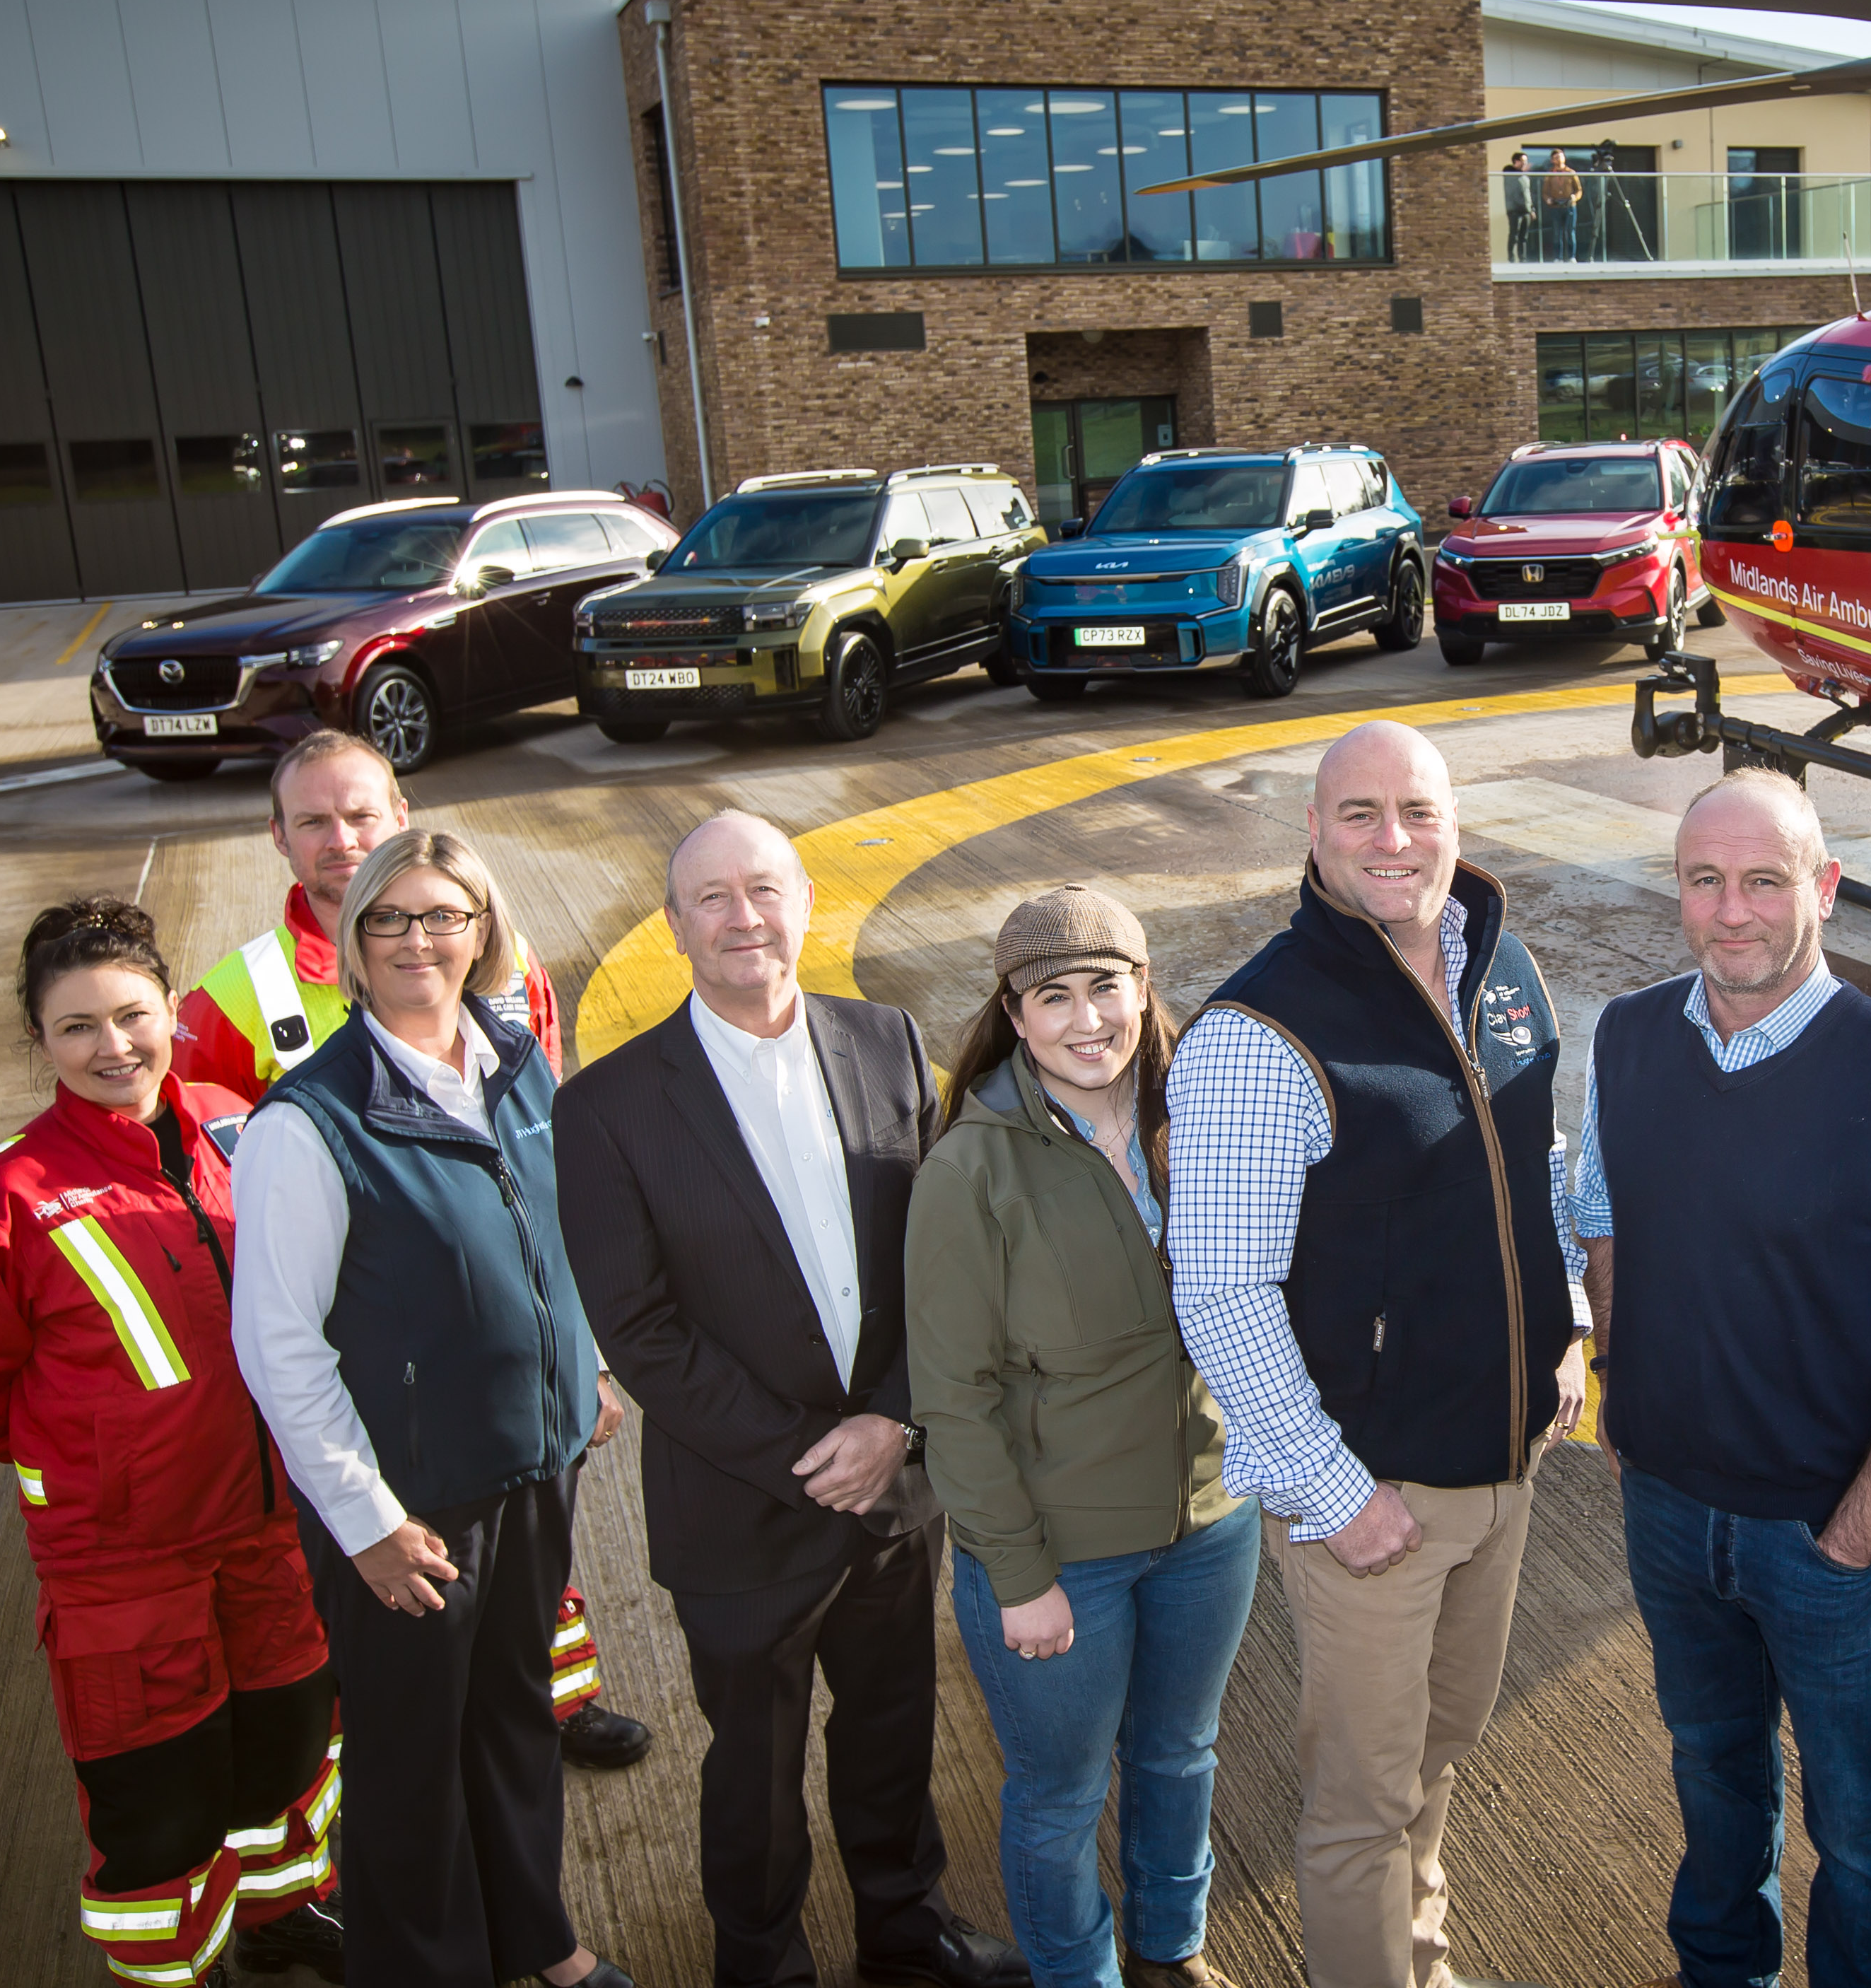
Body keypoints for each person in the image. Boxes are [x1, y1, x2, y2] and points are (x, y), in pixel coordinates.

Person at [556, 812, 1024, 1988]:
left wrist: (897, 1426)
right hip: (743, 1509)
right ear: (674, 926)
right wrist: (817, 1453)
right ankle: (760, 1964)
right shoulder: (606, 1106)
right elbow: (642, 1332)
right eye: (711, 897)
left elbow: (944, 1260)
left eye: (763, 890)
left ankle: (904, 1934)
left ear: (804, 903)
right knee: (752, 1774)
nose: (743, 919)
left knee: (892, 1738)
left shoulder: (884, 1040)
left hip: (896, 1488)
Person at [1574, 767, 1871, 1988]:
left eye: (1765, 880)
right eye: (1704, 882)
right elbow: (1604, 1215)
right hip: (1667, 1504)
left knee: (1862, 1821)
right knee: (1711, 1772)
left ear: (1824, 887)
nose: (1733, 913)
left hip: (1829, 1536)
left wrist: (1860, 1534)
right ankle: (1723, 1968)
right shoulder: (1627, 1037)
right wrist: (1623, 1377)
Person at [1166, 720, 1583, 1988]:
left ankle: (1422, 1963)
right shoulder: (1261, 1032)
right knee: (1360, 1805)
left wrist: (1564, 1329)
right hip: (1376, 1496)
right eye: (1359, 814)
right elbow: (1221, 1293)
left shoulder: (1499, 968)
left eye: (1417, 811)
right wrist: (1336, 1495)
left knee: (1437, 1754)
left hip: (1505, 1467)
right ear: (1310, 832)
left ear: (1455, 822)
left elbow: (1537, 1171)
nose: (1393, 841)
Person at [177, 727, 649, 1774]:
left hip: (503, 1364)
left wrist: (584, 1352)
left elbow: (543, 1172)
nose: (341, 840)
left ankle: (559, 1701)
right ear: (277, 839)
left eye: (361, 815)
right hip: (378, 1369)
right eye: (314, 821)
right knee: (410, 1650)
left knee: (529, 1556)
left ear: (401, 819)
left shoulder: (500, 956)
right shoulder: (231, 997)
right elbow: (204, 1178)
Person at [0, 897, 344, 1988]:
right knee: (158, 1791)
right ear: (39, 1041)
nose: (115, 1047)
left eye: (133, 1016)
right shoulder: (2, 1198)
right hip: (123, 1563)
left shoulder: (242, 1123)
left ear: (172, 1015)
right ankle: (167, 1971)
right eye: (78, 1027)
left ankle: (281, 1918)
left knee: (288, 1748)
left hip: (274, 1524)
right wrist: (95, 1458)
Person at [228, 828, 635, 1988]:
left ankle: (539, 1940)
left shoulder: (514, 1062)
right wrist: (363, 1519)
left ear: (481, 932)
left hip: (533, 1460)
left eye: (444, 915)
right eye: (391, 918)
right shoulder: (307, 1122)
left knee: (513, 1724)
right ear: (352, 941)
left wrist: (588, 1365)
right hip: (410, 1499)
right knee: (409, 1762)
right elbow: (276, 1344)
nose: (420, 939)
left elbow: (559, 1233)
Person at [910, 887, 1258, 1988]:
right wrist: (1016, 1575)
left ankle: (1172, 1947)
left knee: (1179, 1754)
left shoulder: (1200, 1116)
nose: (1085, 1018)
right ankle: (1079, 1976)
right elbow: (953, 1396)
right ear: (1015, 1016)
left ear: (1143, 988)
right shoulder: (972, 1168)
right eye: (1052, 996)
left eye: (1105, 985)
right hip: (1062, 1553)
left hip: (1210, 1519)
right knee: (1059, 1798)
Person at [1538, 148, 1583, 262]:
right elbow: (1545, 192)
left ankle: (1572, 256)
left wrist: (1574, 197)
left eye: (1561, 156)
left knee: (1570, 230)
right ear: (1552, 160)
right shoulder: (1550, 174)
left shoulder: (1571, 172)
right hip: (1555, 206)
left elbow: (1579, 190)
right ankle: (1558, 257)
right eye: (1557, 157)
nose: (1559, 159)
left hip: (1569, 205)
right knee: (1557, 232)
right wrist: (1548, 199)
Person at [1501, 149, 1535, 262]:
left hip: (1526, 210)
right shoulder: (1509, 171)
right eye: (1523, 161)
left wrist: (1532, 209)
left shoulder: (1525, 177)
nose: (1525, 164)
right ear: (1516, 161)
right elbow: (1511, 179)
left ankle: (1523, 259)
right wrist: (1521, 172)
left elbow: (1527, 194)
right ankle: (1511, 258)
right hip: (1514, 210)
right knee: (1514, 235)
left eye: (1526, 161)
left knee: (1523, 237)